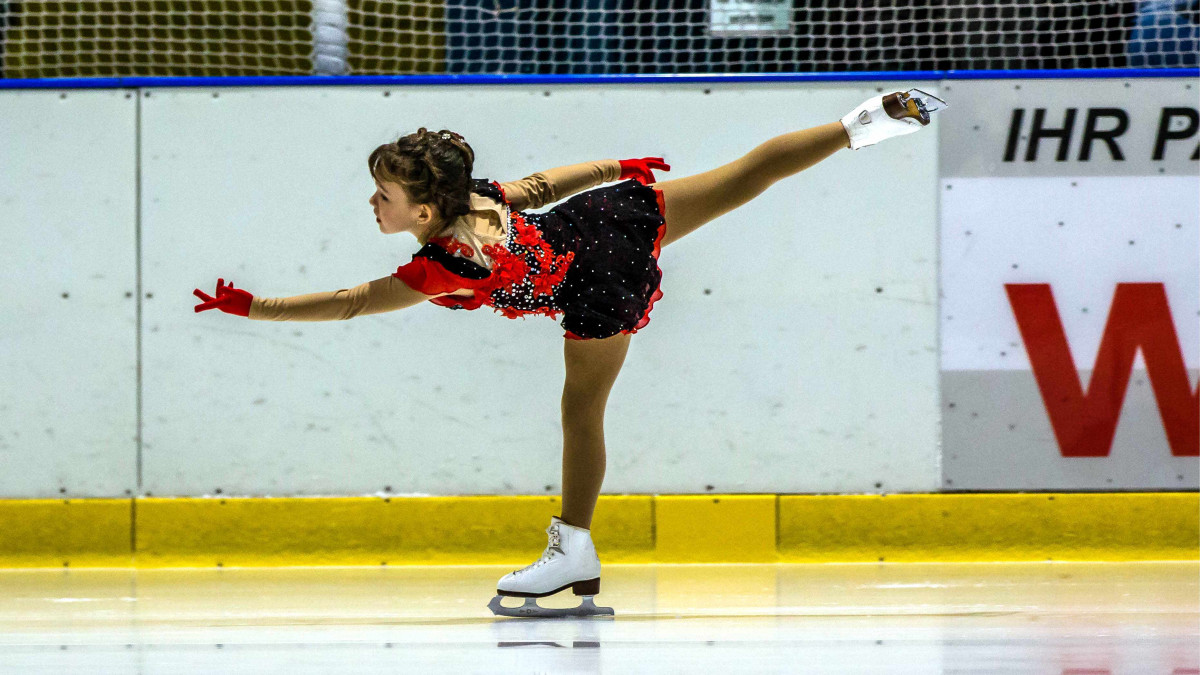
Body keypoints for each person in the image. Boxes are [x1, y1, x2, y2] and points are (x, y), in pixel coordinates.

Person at [194, 89, 946, 618]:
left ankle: (573, 548)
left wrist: (256, 306)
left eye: (381, 197)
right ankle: (873, 119)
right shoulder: (478, 197)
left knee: (581, 410)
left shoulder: (442, 265)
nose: (373, 205)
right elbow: (541, 184)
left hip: (595, 279)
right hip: (604, 219)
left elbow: (353, 300)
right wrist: (618, 168)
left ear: (424, 212)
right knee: (742, 176)